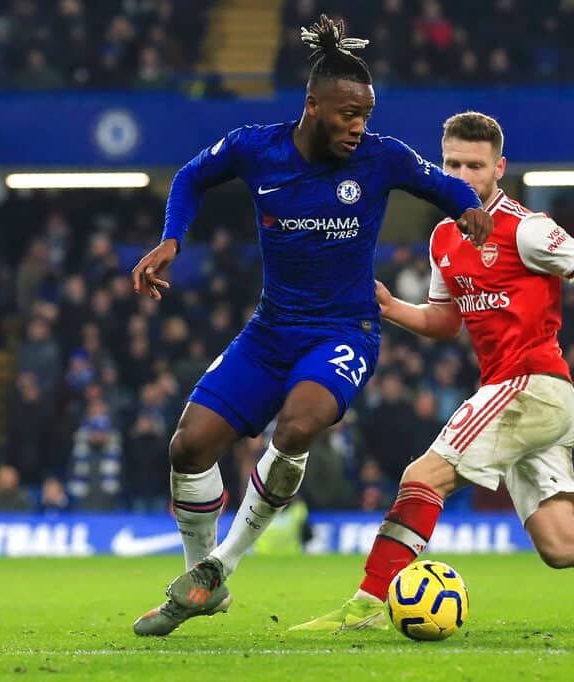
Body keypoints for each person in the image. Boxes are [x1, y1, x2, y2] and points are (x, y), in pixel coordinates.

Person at [291, 111, 574, 632]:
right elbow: (444, 322)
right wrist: (391, 307)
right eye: (452, 164)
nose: (462, 176)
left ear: (499, 168)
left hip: (531, 386)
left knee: (422, 477)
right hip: (527, 399)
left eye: (475, 166)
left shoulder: (526, 229)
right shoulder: (443, 238)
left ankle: (365, 606)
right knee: (562, 545)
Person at [131, 15, 492, 636]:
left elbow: (445, 187)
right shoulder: (256, 149)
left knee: (297, 424)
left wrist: (470, 211)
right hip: (271, 330)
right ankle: (202, 581)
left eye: (366, 115)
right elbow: (191, 176)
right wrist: (171, 240)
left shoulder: (381, 159)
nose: (359, 127)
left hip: (345, 331)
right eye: (348, 114)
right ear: (313, 106)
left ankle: (222, 563)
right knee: (188, 446)